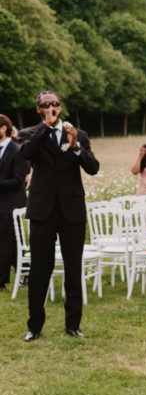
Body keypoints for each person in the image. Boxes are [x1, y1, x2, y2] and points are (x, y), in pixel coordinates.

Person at [18, 91, 100, 342]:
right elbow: (26, 153)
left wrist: (75, 147)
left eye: (55, 104)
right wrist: (46, 126)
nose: (52, 107)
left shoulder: (78, 134)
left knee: (73, 268)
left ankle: (73, 324)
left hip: (71, 209)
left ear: (61, 107)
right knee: (40, 269)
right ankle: (34, 325)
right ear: (39, 110)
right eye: (46, 104)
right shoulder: (30, 133)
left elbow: (93, 167)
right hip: (42, 210)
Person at [0, 114, 30, 291]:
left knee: (6, 243)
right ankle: (27, 272)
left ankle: (1, 282)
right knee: (11, 243)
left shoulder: (17, 151)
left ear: (3, 128)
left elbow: (18, 181)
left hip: (12, 204)